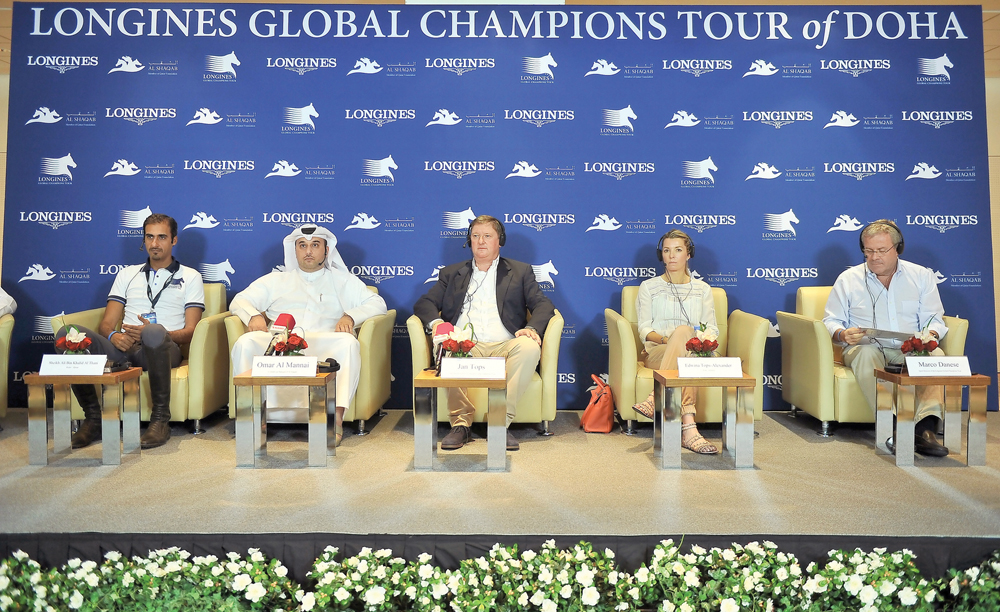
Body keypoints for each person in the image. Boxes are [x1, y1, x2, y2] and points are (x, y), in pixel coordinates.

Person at [54, 213, 205, 449]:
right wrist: (115, 336)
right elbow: (106, 324)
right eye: (150, 237)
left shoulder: (191, 276)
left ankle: (160, 420)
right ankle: (94, 419)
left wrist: (158, 333)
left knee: (153, 331)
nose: (155, 243)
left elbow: (192, 330)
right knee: (68, 332)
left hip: (164, 348)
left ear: (174, 240)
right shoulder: (127, 274)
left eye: (162, 237)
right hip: (124, 350)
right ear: (144, 240)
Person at [230, 224, 387, 446]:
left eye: (315, 245)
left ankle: (335, 418)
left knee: (348, 343)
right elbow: (240, 300)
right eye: (302, 245)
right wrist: (253, 316)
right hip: (283, 344)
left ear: (326, 250)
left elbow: (377, 303)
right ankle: (255, 418)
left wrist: (350, 317)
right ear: (295, 251)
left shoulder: (342, 280)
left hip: (324, 343)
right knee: (246, 342)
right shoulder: (276, 280)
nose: (308, 251)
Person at [414, 215, 555, 451]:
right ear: (469, 241)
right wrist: (439, 323)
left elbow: (543, 305)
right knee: (448, 347)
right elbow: (424, 303)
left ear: (500, 241)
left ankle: (499, 422)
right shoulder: (452, 273)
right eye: (475, 236)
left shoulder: (520, 272)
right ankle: (461, 425)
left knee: (530, 347)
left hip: (505, 344)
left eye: (487, 236)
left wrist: (531, 329)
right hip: (466, 344)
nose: (481, 241)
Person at [824, 219, 949, 456]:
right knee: (866, 351)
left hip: (910, 347)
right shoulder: (848, 279)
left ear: (898, 249)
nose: (874, 257)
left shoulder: (921, 276)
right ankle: (893, 427)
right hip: (865, 347)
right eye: (868, 251)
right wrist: (842, 334)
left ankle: (925, 430)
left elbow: (935, 320)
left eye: (881, 250)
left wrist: (930, 335)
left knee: (936, 354)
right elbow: (831, 320)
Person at [631, 229, 720, 454]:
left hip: (695, 352)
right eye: (667, 250)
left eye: (678, 250)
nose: (671, 256)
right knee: (682, 337)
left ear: (688, 254)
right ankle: (689, 431)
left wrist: (694, 340)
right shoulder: (649, 287)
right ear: (661, 254)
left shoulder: (703, 289)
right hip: (658, 352)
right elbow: (644, 329)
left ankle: (656, 397)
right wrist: (669, 339)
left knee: (687, 345)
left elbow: (711, 329)